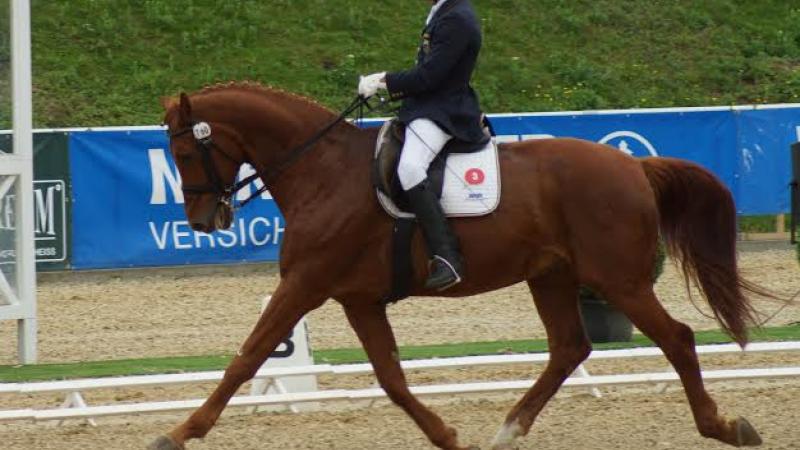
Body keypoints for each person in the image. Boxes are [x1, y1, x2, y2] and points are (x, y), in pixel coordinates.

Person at [358, 0, 485, 291]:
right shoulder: (445, 10)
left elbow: (430, 76)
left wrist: (384, 82)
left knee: (411, 168)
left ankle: (447, 256)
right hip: (426, 106)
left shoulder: (458, 18)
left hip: (445, 111)